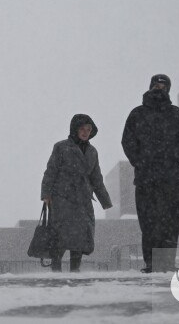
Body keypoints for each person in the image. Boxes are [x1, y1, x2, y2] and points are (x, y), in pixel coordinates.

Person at [121, 73, 179, 272]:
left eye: (163, 85)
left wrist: (176, 159)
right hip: (145, 178)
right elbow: (127, 141)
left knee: (170, 221)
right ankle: (151, 262)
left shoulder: (177, 114)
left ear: (168, 88)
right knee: (148, 222)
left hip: (170, 178)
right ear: (150, 86)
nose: (159, 88)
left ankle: (167, 262)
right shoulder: (137, 114)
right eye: (156, 84)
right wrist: (140, 161)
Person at [41, 114, 113, 272]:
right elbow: (51, 171)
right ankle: (56, 268)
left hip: (82, 199)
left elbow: (96, 177)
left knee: (80, 235)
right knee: (60, 234)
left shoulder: (93, 151)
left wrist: (105, 201)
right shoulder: (61, 147)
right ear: (75, 129)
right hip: (62, 198)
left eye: (89, 129)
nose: (85, 132)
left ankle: (75, 269)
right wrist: (46, 194)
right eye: (82, 129)